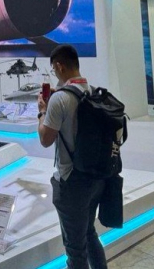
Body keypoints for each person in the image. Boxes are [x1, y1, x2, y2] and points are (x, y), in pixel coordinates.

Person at [37, 44, 107, 269]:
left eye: (54, 69)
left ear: (59, 66)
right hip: (96, 177)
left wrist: (42, 111)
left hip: (71, 181)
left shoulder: (59, 99)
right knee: (89, 232)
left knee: (75, 250)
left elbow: (46, 139)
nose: (55, 73)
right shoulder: (93, 91)